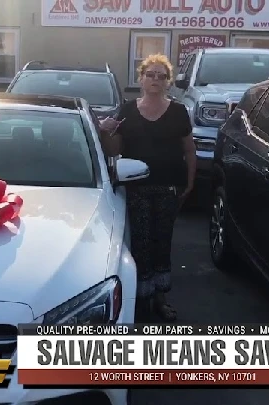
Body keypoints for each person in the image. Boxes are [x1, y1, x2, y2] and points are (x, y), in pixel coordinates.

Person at [99, 53, 196, 321]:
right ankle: (140, 298)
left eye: (161, 76)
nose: (155, 80)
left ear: (168, 82)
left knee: (162, 243)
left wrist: (189, 183)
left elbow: (189, 149)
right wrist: (105, 132)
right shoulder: (128, 110)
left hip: (168, 189)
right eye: (150, 75)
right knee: (139, 244)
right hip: (135, 188)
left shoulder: (178, 112)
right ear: (141, 79)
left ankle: (160, 298)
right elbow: (115, 149)